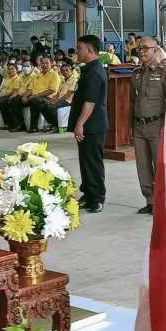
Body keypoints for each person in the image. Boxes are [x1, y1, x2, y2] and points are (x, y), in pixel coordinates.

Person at [68, 35, 109, 214]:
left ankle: (98, 196)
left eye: (80, 48)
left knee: (93, 162)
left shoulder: (94, 72)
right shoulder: (88, 69)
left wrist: (80, 124)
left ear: (90, 51)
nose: (78, 51)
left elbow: (90, 102)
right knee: (85, 161)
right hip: (88, 125)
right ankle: (88, 193)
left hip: (92, 125)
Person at [130, 35, 166, 214]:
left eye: (146, 48)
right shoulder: (136, 74)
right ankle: (150, 200)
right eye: (140, 49)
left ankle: (165, 202)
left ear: (156, 50)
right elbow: (132, 101)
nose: (143, 52)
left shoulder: (164, 73)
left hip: (157, 124)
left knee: (160, 165)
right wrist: (130, 125)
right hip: (139, 125)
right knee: (143, 165)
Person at [8, 55, 60, 133]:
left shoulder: (54, 75)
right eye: (42, 63)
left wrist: (36, 96)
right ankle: (20, 125)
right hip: (33, 96)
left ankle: (33, 127)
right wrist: (25, 96)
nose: (44, 65)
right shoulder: (37, 75)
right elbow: (30, 88)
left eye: (47, 63)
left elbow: (52, 90)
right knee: (14, 100)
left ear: (51, 64)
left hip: (47, 97)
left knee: (35, 101)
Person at [42, 62, 77, 131]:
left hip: (68, 101)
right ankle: (53, 123)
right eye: (63, 71)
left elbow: (68, 95)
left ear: (71, 71)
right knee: (43, 106)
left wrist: (56, 101)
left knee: (52, 107)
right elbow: (58, 94)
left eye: (67, 70)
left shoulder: (74, 80)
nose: (65, 72)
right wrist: (50, 100)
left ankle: (58, 125)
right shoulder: (62, 81)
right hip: (61, 100)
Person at [0, 64, 22, 129]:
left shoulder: (17, 79)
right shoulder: (7, 78)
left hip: (9, 96)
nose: (10, 71)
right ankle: (6, 124)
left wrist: (0, 96)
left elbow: (14, 91)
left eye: (12, 69)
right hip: (2, 95)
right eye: (9, 69)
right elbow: (3, 89)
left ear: (16, 70)